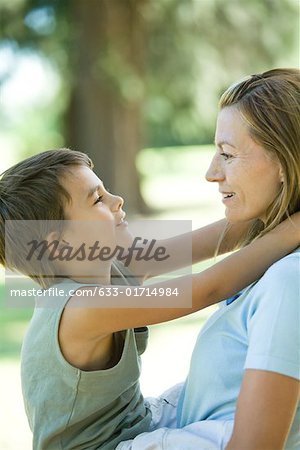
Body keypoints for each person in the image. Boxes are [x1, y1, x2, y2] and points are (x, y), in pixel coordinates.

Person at [0, 146, 298, 447]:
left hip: (139, 422)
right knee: (237, 435)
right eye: (98, 199)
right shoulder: (79, 308)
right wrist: (293, 229)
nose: (117, 201)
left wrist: (284, 198)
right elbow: (208, 287)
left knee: (231, 391)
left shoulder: (119, 268)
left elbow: (217, 240)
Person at [118, 68, 300, 450]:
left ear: (285, 162)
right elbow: (140, 262)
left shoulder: (289, 280)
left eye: (227, 155)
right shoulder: (268, 246)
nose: (210, 173)